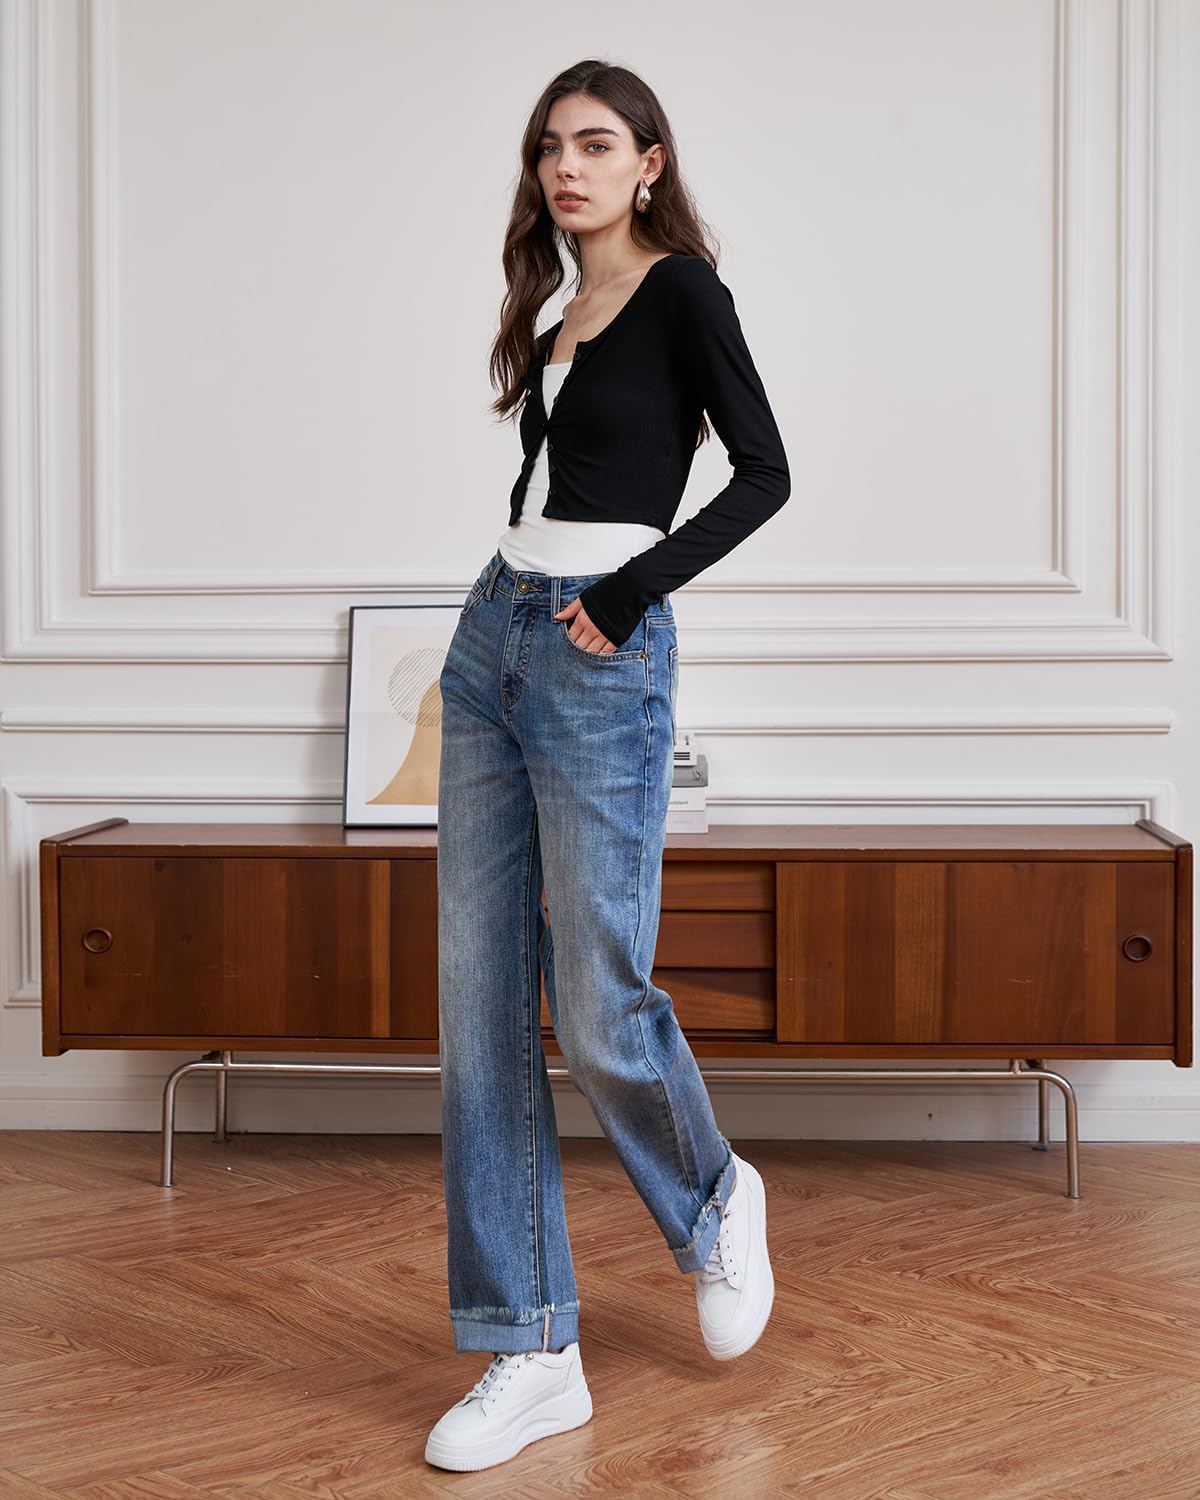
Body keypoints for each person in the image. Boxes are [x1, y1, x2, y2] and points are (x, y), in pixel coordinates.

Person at [427, 58, 790, 1473]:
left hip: (596, 651)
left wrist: (632, 594)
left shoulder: (685, 291)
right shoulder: (555, 305)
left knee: (596, 995)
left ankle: (713, 1198)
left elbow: (764, 472)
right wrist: (517, 613)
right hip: (492, 636)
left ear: (649, 163)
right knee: (478, 1008)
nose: (565, 168)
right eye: (547, 148)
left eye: (594, 144)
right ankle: (529, 1347)